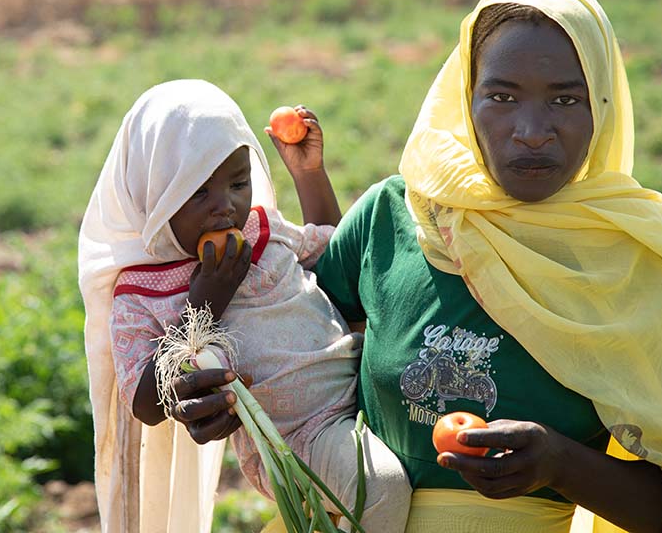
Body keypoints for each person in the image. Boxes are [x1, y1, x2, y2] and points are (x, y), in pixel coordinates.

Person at [173, 0, 662, 533]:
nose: (532, 130)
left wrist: (558, 463)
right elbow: (284, 344)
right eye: (501, 96)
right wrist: (208, 392)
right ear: (465, 100)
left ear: (602, 106)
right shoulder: (395, 218)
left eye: (566, 99)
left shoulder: (636, 257)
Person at [78, 79, 412, 533]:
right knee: (383, 489)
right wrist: (204, 305)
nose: (226, 207)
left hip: (366, 391)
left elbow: (338, 258)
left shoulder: (261, 230)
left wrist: (308, 174)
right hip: (300, 436)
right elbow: (145, 403)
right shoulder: (141, 295)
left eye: (238, 183)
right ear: (154, 195)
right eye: (198, 193)